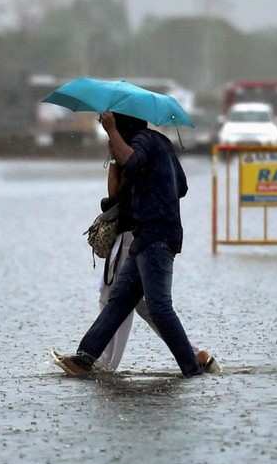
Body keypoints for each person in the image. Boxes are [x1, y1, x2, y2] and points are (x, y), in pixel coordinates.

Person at [55, 112, 209, 378]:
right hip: (145, 236)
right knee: (119, 301)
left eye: (115, 124)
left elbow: (133, 161)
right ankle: (84, 359)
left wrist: (112, 131)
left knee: (159, 307)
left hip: (157, 237)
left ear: (123, 124)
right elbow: (181, 186)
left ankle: (192, 366)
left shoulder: (144, 142)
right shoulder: (159, 143)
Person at [96, 157, 220, 373]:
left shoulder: (130, 152)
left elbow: (115, 195)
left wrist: (114, 162)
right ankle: (192, 353)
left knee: (116, 297)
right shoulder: (145, 151)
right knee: (138, 301)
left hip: (133, 235)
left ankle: (103, 362)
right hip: (142, 234)